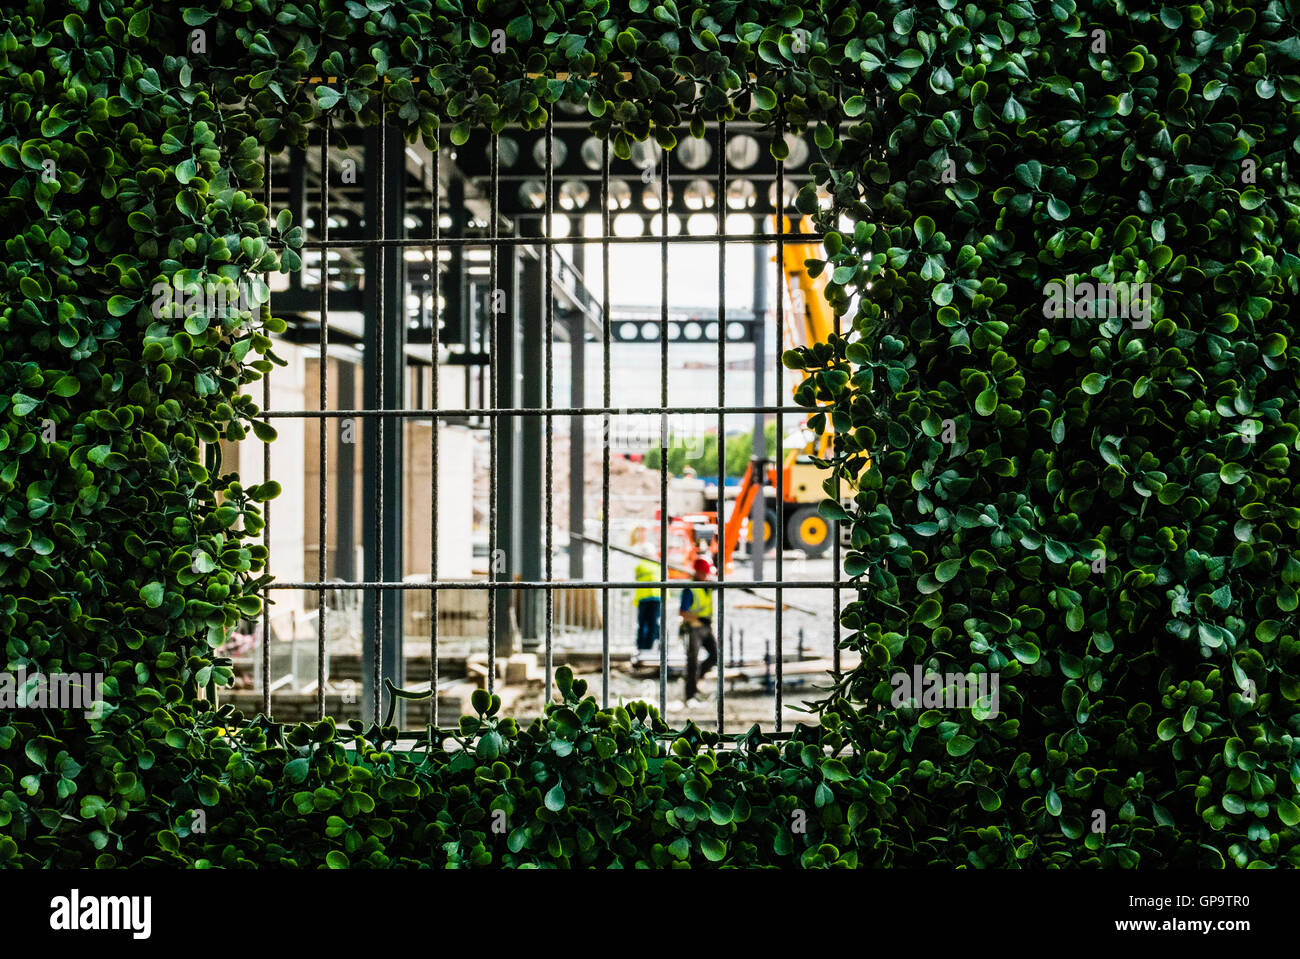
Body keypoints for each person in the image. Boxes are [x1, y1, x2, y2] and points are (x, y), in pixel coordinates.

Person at [679, 557, 718, 703]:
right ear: (698, 572)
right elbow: (682, 612)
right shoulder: (690, 589)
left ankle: (696, 683)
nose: (706, 576)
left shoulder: (706, 586)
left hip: (706, 627)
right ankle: (690, 694)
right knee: (692, 662)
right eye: (704, 573)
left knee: (715, 656)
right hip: (694, 628)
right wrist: (696, 618)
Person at [633, 552, 663, 655]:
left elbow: (637, 577)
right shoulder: (658, 565)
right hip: (656, 597)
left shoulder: (640, 566)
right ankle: (651, 646)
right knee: (654, 623)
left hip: (644, 598)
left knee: (643, 624)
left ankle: (642, 647)